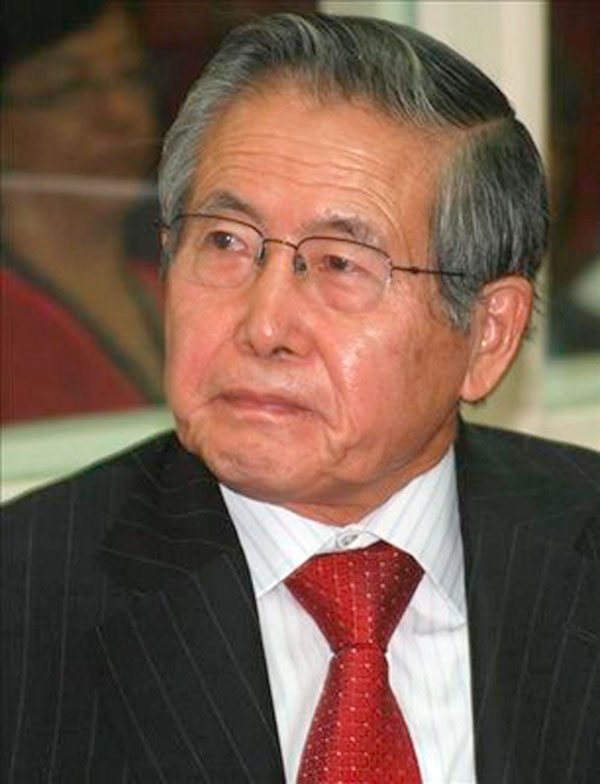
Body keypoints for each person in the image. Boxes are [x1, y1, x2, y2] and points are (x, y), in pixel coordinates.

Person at [2, 12, 599, 784]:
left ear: (487, 334)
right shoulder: (22, 604)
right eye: (225, 242)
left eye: (341, 263)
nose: (264, 326)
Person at [1, 0, 163, 423]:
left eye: (130, 74)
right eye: (68, 87)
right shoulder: (11, 321)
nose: (120, 113)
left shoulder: (174, 286)